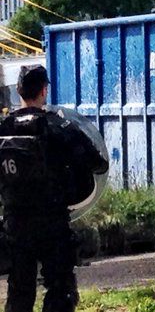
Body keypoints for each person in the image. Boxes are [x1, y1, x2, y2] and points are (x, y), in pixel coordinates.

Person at [0, 65, 109, 312]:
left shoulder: (4, 128)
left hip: (15, 225)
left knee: (19, 291)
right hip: (53, 224)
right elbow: (98, 164)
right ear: (44, 91)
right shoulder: (58, 128)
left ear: (18, 90)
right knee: (61, 291)